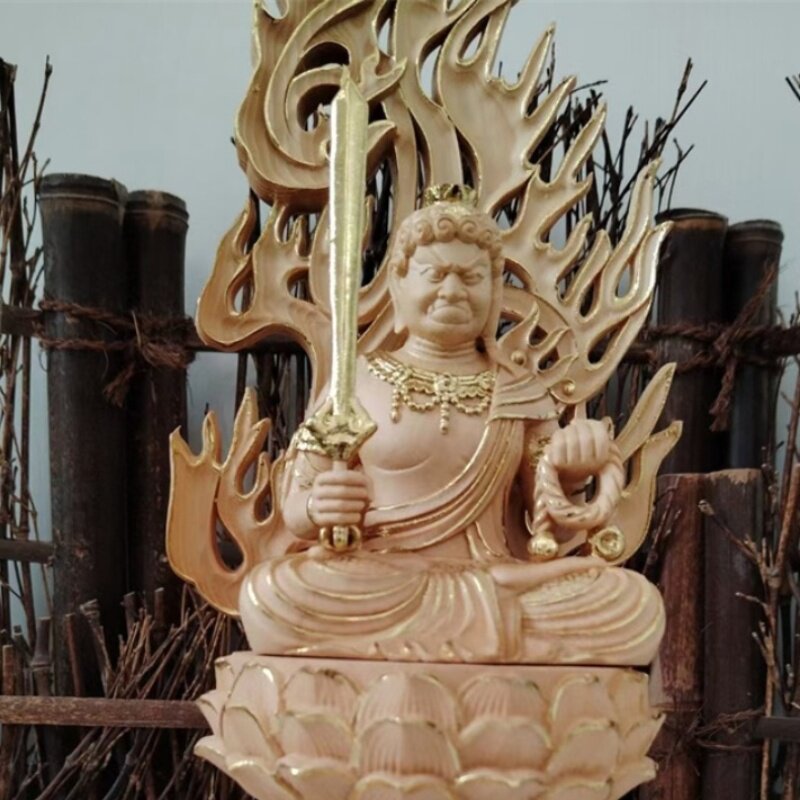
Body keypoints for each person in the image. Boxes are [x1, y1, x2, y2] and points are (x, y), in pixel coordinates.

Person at [239, 194, 664, 665]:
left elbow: (555, 529)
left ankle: (430, 645)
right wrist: (318, 506)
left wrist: (575, 472)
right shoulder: (355, 383)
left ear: (493, 293)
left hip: (496, 577)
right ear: (399, 286)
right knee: (270, 592)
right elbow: (297, 504)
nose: (453, 291)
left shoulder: (519, 391)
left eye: (472, 277)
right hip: (382, 576)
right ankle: (496, 646)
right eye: (435, 274)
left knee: (634, 602)